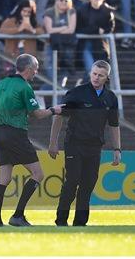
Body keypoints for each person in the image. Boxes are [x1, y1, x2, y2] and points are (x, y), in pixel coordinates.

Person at [0, 53, 64, 227]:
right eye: (35, 69)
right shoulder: (24, 87)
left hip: (0, 134)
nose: (36, 72)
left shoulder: (0, 85)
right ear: (29, 68)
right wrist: (54, 109)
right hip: (16, 134)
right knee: (38, 174)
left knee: (4, 177)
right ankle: (18, 215)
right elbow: (37, 114)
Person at [48, 60, 121, 227]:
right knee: (72, 181)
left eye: (100, 75)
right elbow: (58, 116)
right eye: (94, 74)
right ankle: (61, 220)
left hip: (95, 146)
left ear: (107, 77)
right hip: (74, 143)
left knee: (88, 184)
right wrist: (53, 143)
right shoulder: (77, 93)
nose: (96, 77)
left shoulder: (110, 98)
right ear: (90, 73)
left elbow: (114, 125)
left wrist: (117, 149)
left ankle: (80, 223)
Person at [77, 0, 115, 83]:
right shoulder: (82, 10)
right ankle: (81, 86)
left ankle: (81, 85)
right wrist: (97, 30)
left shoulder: (108, 11)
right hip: (86, 45)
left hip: (101, 46)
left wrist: (98, 30)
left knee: (100, 75)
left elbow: (110, 28)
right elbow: (78, 29)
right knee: (91, 72)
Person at [0, 0, 43, 73]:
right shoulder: (11, 20)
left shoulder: (34, 22)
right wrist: (18, 29)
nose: (26, 14)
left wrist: (32, 30)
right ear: (20, 10)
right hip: (12, 56)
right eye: (24, 11)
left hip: (28, 58)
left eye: (29, 12)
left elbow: (41, 31)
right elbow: (1, 31)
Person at [43, 0, 77, 88]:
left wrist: (57, 31)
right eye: (61, 0)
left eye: (66, 0)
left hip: (67, 47)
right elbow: (49, 30)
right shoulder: (49, 12)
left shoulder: (71, 11)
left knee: (63, 75)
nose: (63, 2)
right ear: (56, 1)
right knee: (51, 76)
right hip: (51, 46)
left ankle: (52, 97)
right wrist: (64, 27)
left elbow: (71, 30)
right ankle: (41, 94)